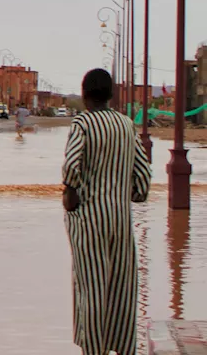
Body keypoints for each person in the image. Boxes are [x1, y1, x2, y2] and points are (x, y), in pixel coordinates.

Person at [62, 68, 151, 355]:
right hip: (121, 221)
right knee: (122, 289)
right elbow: (143, 177)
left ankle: (93, 350)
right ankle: (123, 348)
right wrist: (130, 195)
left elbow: (72, 166)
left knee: (91, 288)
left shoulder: (83, 124)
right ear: (111, 95)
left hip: (89, 221)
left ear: (85, 94)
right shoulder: (126, 125)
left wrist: (70, 195)